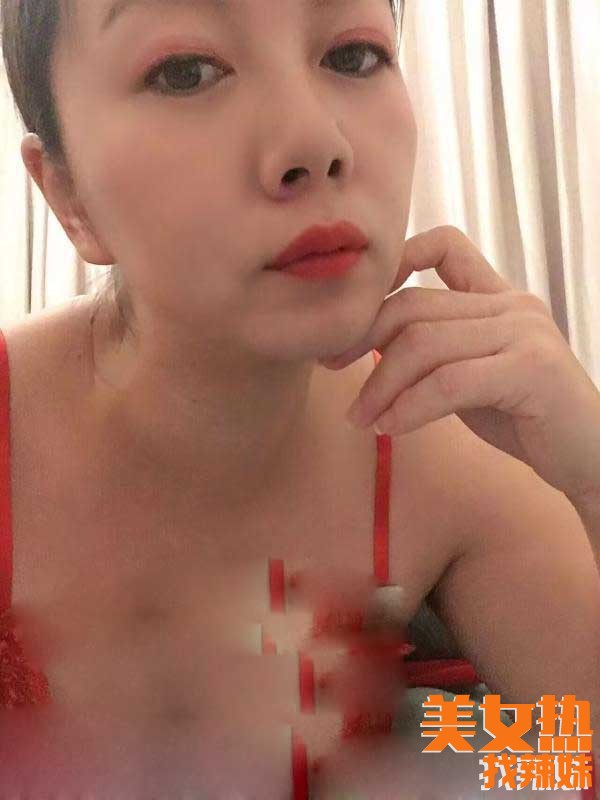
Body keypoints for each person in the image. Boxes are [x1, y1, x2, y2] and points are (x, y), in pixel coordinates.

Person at [0, 0, 599, 797]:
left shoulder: (458, 451)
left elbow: (574, 753)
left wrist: (593, 476)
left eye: (353, 56)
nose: (316, 142)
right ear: (68, 193)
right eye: (186, 72)